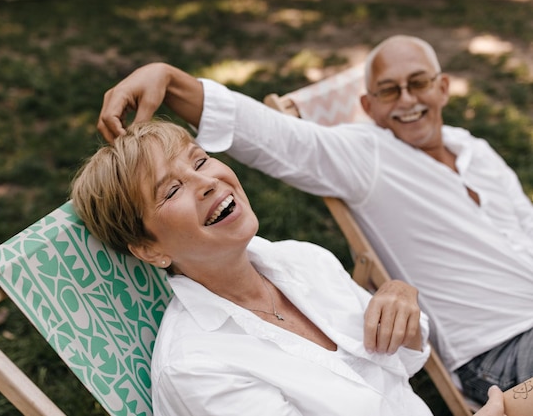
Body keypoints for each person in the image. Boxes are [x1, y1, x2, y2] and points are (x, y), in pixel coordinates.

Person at [95, 34, 533, 405]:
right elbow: (274, 137)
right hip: (498, 348)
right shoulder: (367, 157)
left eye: (418, 84)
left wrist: (400, 294)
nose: (407, 100)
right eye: (388, 90)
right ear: (367, 104)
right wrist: (172, 81)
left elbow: (399, 363)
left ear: (443, 88)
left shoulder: (476, 151)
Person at [70, 120, 504, 416]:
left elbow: (402, 362)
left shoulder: (303, 260)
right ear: (148, 249)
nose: (207, 182)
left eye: (199, 160)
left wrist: (399, 298)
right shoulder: (196, 366)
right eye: (172, 190)